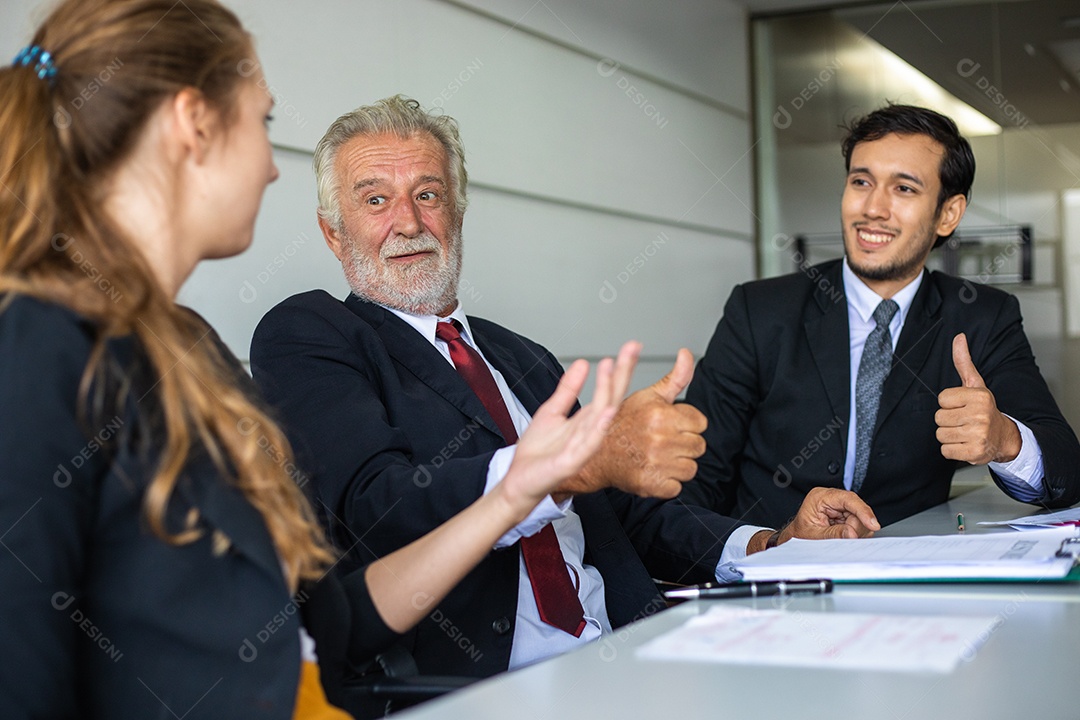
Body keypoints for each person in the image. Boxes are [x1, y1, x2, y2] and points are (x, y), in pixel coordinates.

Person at [0, 2, 634, 718]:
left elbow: (328, 625)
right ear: (193, 124)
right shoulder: (37, 349)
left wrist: (515, 495)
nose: (273, 168)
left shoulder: (190, 349)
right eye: (263, 122)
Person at [249, 95, 880, 679]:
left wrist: (772, 544)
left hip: (633, 648)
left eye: (428, 193)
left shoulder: (522, 357)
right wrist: (561, 470)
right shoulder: (312, 335)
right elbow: (374, 508)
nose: (409, 221)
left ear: (458, 212)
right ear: (335, 233)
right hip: (490, 678)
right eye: (375, 200)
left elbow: (630, 515)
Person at [681, 104, 1080, 529]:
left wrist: (1005, 440)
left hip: (904, 580)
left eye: (904, 189)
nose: (873, 207)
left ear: (948, 213)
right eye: (861, 181)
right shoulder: (759, 311)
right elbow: (693, 482)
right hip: (765, 577)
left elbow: (1067, 471)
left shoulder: (983, 316)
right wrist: (763, 546)